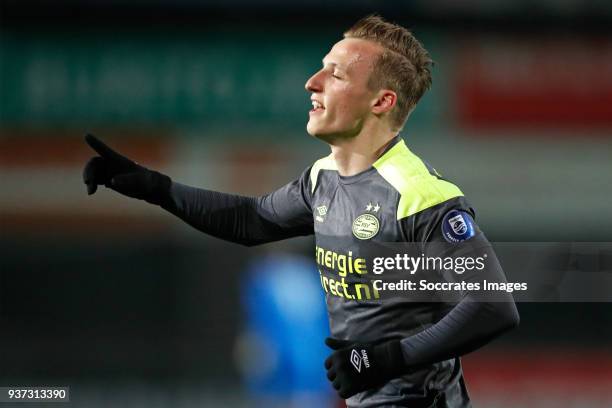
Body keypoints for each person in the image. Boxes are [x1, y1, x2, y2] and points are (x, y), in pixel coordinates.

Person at [83, 15, 519, 407]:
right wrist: (154, 187)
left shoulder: (421, 195)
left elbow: (493, 306)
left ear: (381, 102)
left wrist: (386, 359)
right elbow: (251, 220)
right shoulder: (322, 178)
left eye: (336, 74)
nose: (312, 82)